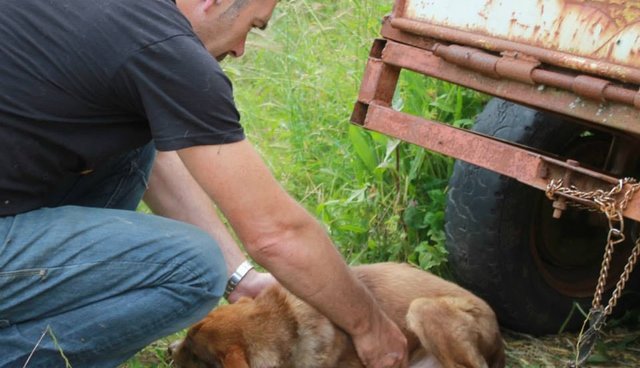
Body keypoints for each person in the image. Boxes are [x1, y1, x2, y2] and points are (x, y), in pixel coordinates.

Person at [0, 0, 409, 367]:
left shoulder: (122, 18)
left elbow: (158, 160)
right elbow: (276, 233)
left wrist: (241, 278)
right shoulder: (165, 50)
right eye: (253, 26)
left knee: (136, 145)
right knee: (194, 269)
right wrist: (370, 326)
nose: (240, 49)